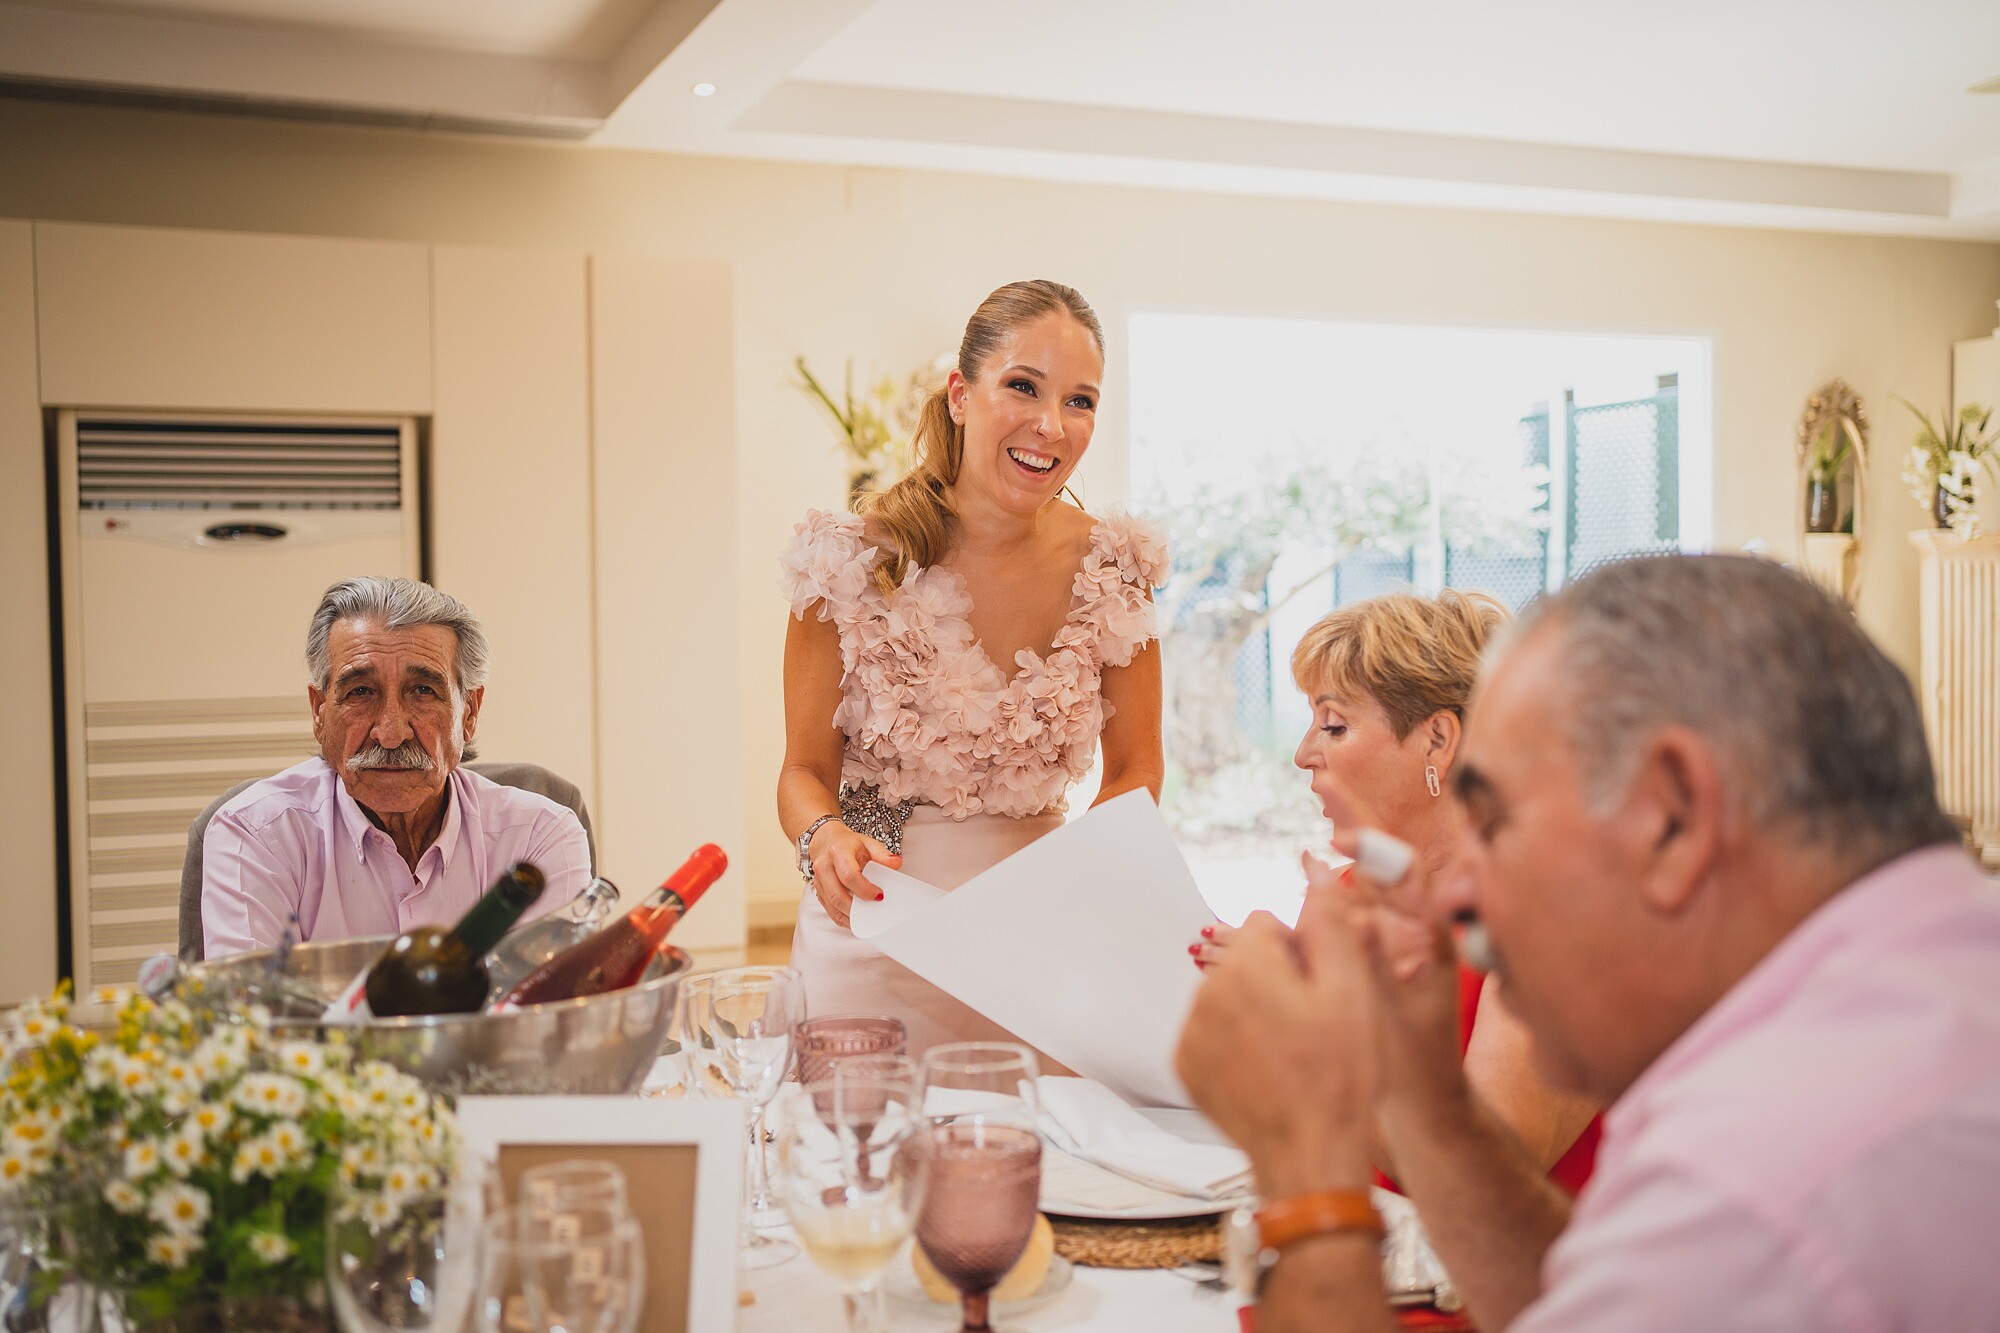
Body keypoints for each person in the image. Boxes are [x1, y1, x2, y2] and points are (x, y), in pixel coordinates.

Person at [1176, 554, 2000, 1332]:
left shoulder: (1758, 1183)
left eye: (1499, 820)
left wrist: (1305, 1159)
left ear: (1673, 816)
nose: (1459, 893)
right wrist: (1424, 1095)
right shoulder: (1936, 973)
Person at [778, 279, 1166, 1058]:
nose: (1051, 425)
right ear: (961, 394)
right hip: (875, 932)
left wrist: (1086, 874)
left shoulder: (1115, 568)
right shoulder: (847, 562)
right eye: (1023, 386)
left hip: (1041, 948)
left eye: (1081, 400)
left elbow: (1138, 770)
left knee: (1049, 1170)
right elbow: (801, 772)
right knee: (857, 1164)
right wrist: (823, 836)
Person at [1191, 591, 1599, 1191]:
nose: (1304, 754)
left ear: (1438, 739)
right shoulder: (1350, 891)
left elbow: (1490, 1176)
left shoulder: (1553, 912)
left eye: (1333, 725)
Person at [202, 577, 588, 956]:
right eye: (360, 692)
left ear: (469, 713)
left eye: (423, 691)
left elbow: (555, 1011)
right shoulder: (255, 835)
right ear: (319, 711)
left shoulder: (539, 837)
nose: (391, 733)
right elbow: (247, 1012)